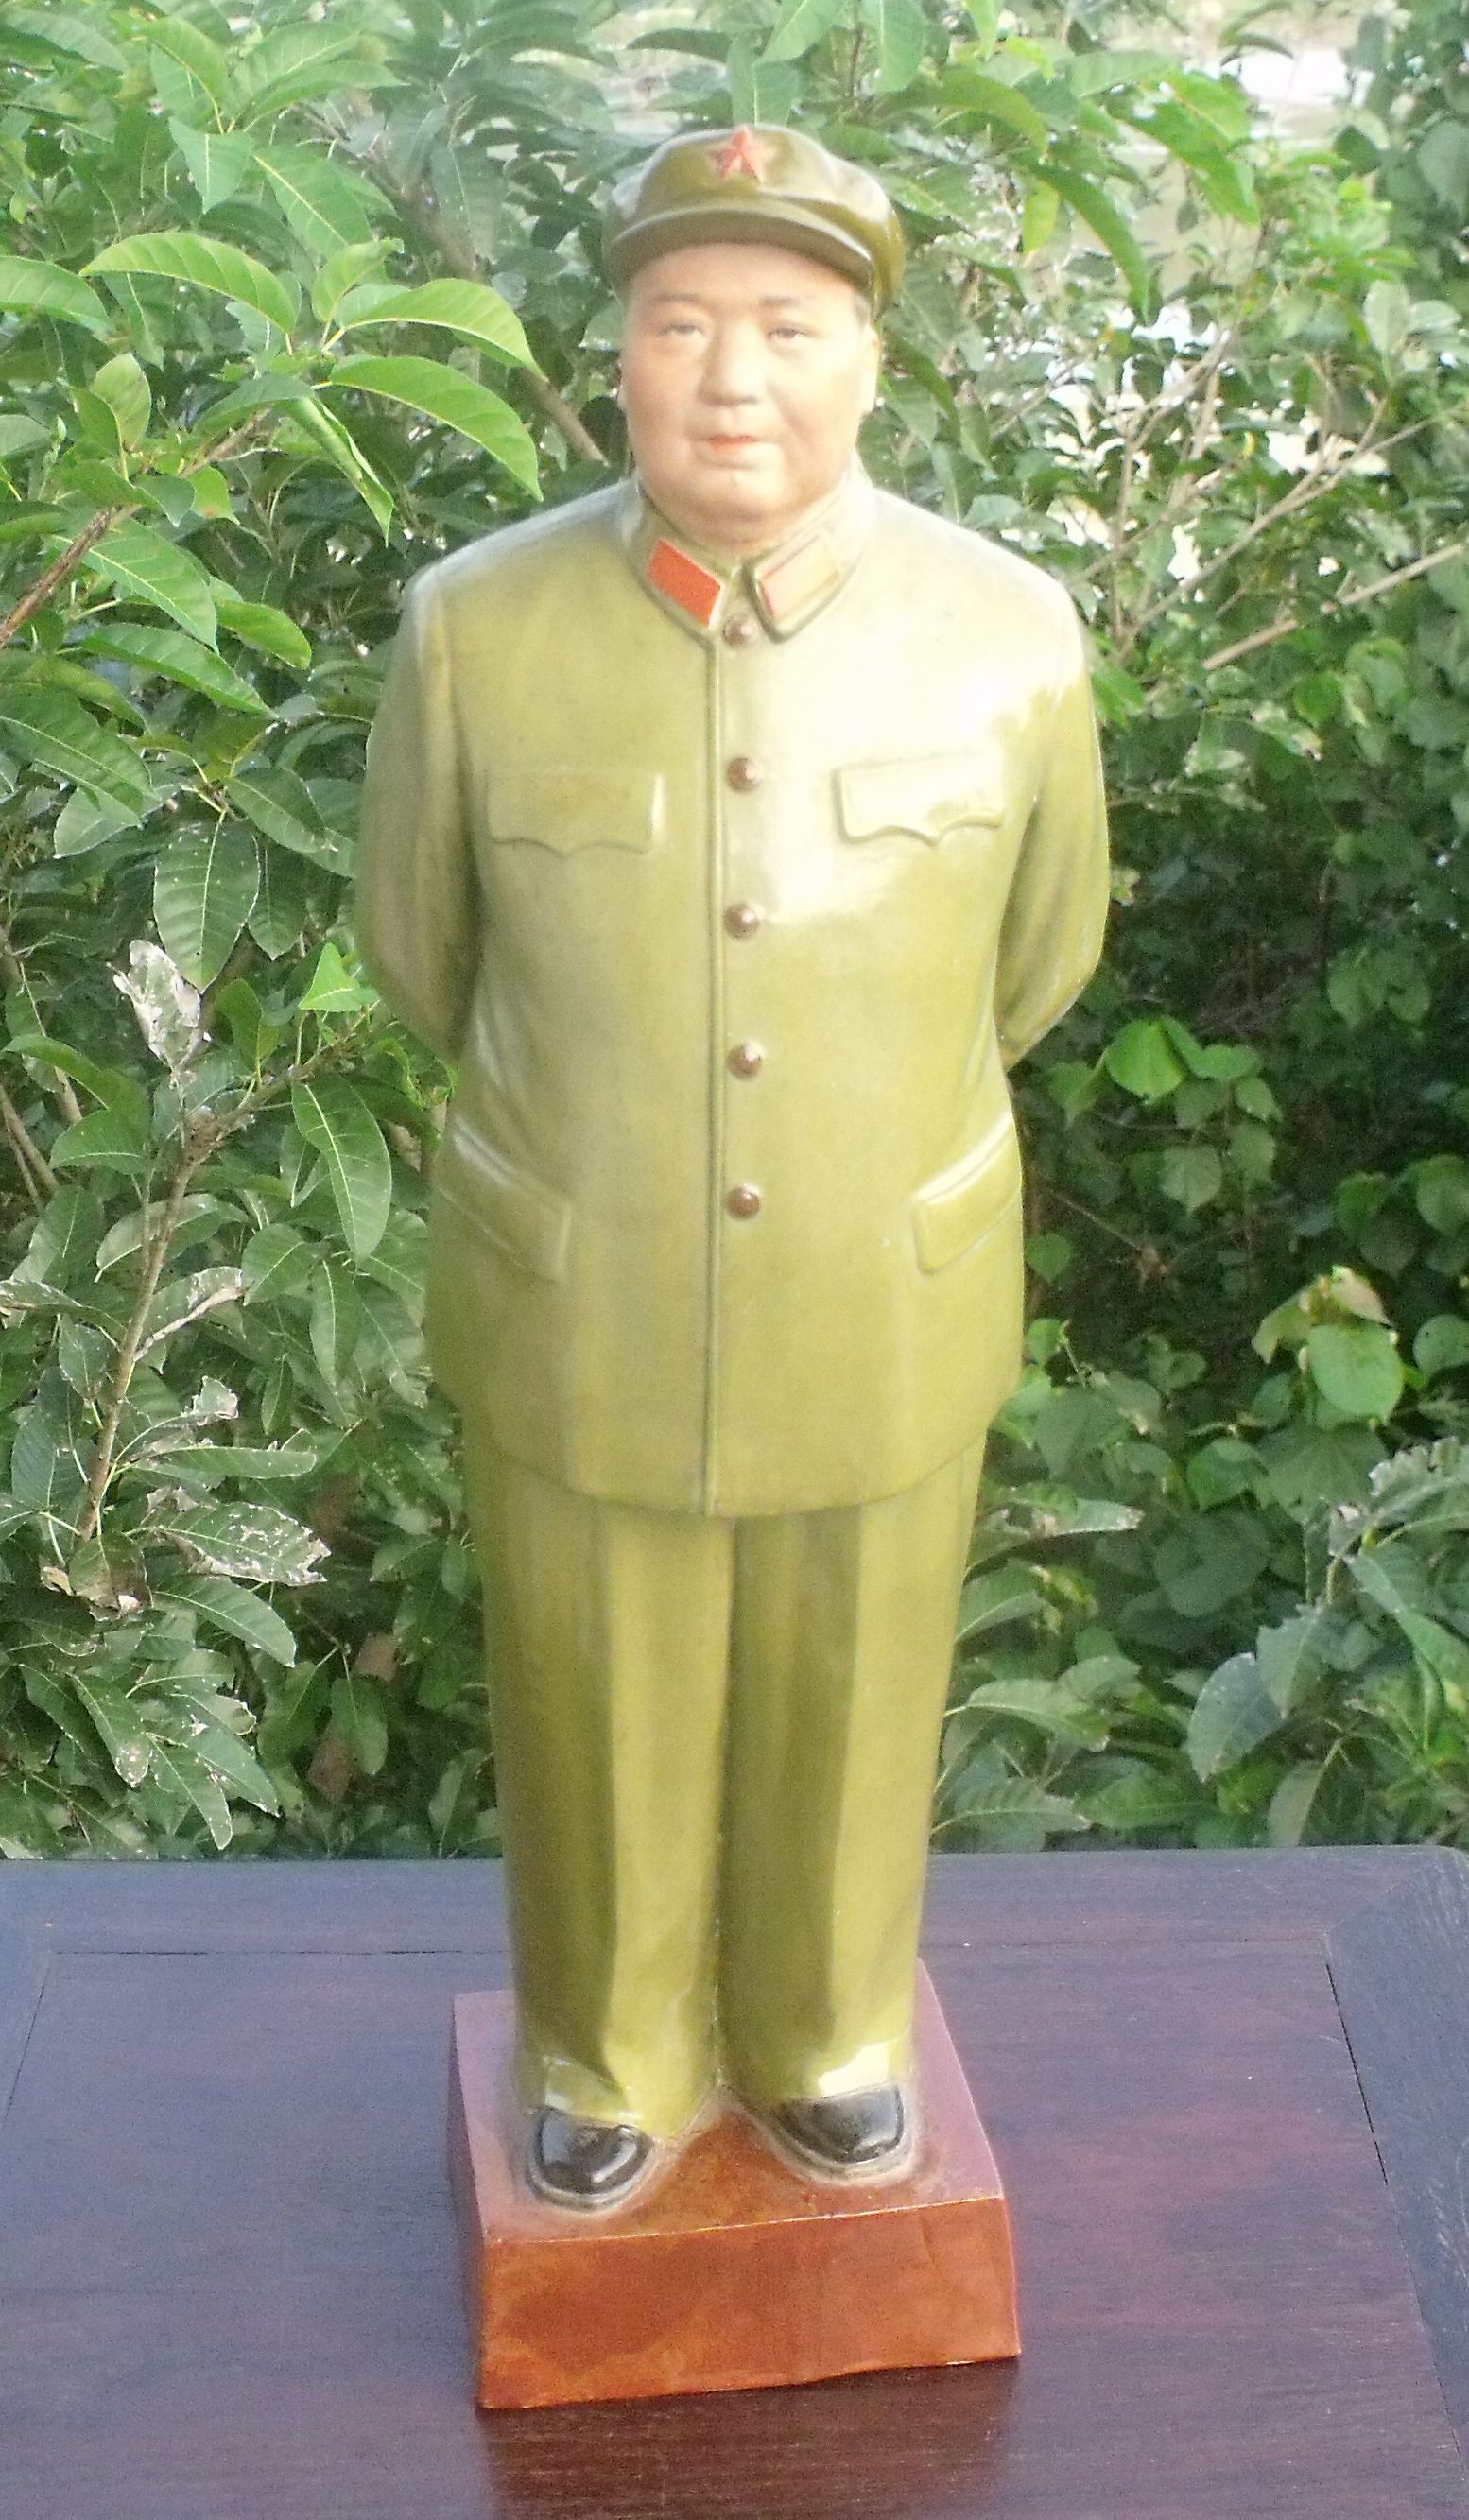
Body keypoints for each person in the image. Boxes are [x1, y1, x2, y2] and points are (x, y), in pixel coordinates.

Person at [354, 123, 1109, 2212]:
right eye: (679, 323)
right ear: (614, 356)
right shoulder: (476, 628)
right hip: (582, 1272)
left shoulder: (1010, 633)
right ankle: (607, 2050)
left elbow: (1038, 958)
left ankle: (828, 2031)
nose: (730, 376)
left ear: (870, 358)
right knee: (593, 1678)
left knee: (856, 1676)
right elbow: (423, 952)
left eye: (785, 324)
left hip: (883, 1271)